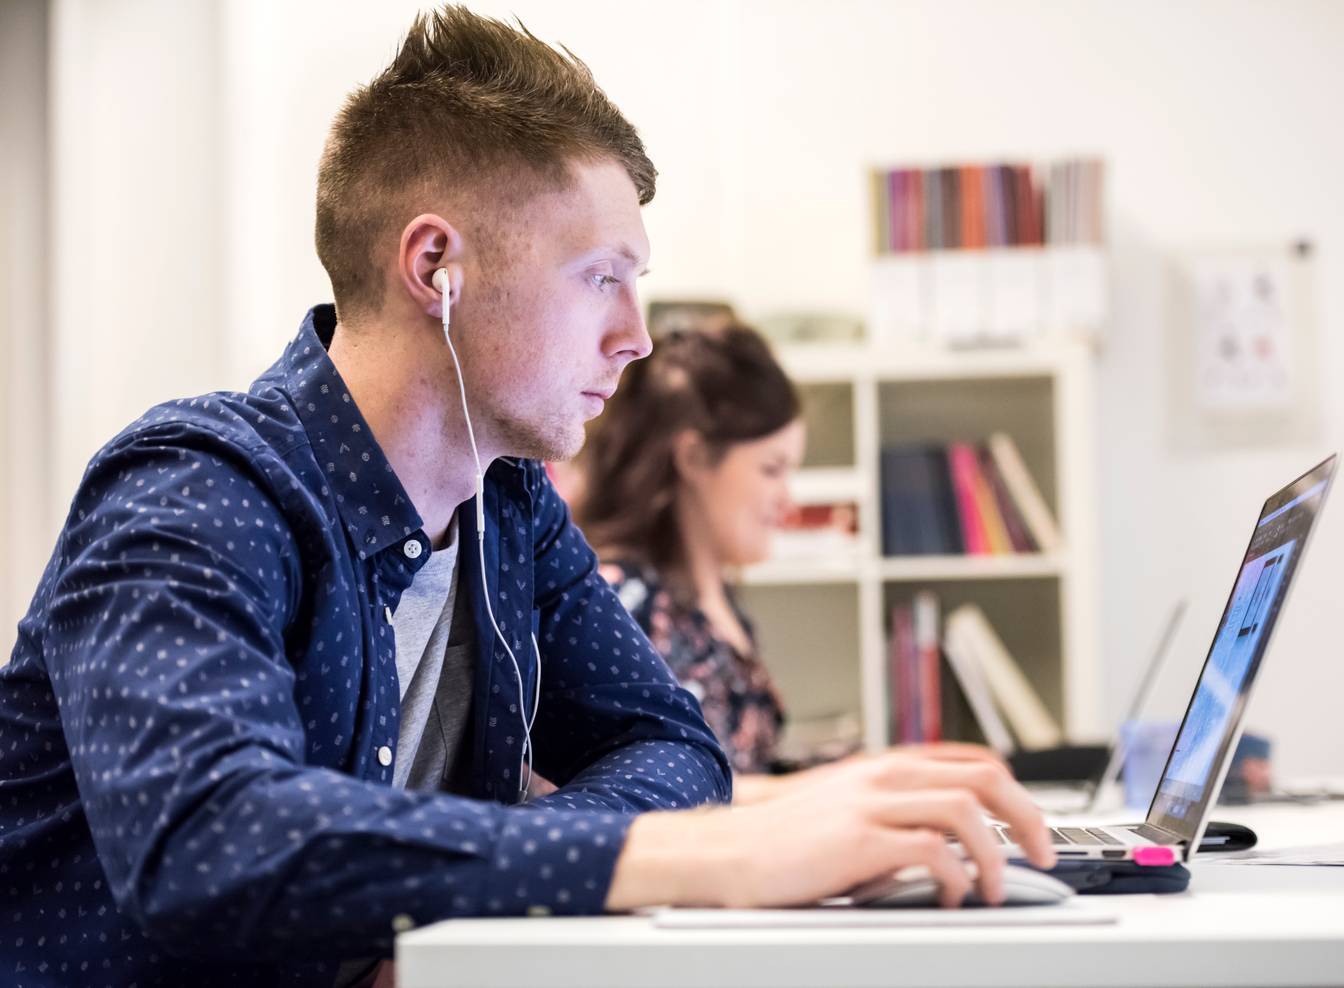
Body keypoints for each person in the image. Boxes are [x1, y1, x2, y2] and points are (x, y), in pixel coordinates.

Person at [0, 8, 1053, 987]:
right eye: (601, 275)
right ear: (435, 266)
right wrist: (677, 855)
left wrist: (504, 902)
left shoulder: (508, 512)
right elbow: (209, 839)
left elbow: (670, 747)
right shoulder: (195, 491)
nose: (636, 334)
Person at [576, 323, 1010, 803]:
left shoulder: (718, 600)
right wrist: (861, 782)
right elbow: (643, 796)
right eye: (771, 469)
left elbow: (747, 769)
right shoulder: (618, 601)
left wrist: (890, 767)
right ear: (695, 457)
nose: (787, 499)